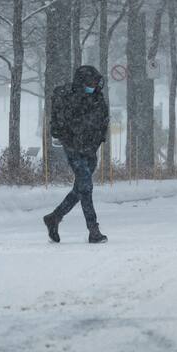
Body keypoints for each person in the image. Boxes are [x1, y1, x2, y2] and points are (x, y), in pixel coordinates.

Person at [43, 65, 110, 244]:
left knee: (80, 188)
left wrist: (96, 140)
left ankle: (54, 218)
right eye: (91, 82)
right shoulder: (68, 98)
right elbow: (62, 126)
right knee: (86, 186)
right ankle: (93, 230)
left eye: (96, 82)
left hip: (90, 149)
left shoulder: (97, 98)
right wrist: (72, 138)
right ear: (82, 82)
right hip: (74, 148)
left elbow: (103, 120)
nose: (94, 85)